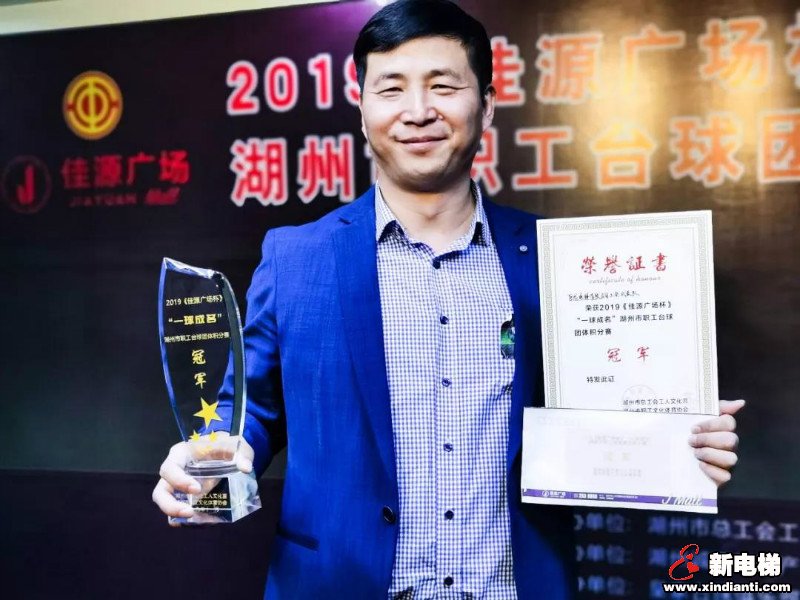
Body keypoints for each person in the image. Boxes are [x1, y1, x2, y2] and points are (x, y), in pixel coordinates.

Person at [153, 1, 744, 597]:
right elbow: (249, 414)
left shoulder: (554, 258)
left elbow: (605, 407)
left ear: (486, 105)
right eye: (391, 88)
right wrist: (207, 471)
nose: (418, 111)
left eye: (443, 86)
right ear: (362, 107)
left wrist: (678, 440)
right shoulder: (296, 259)